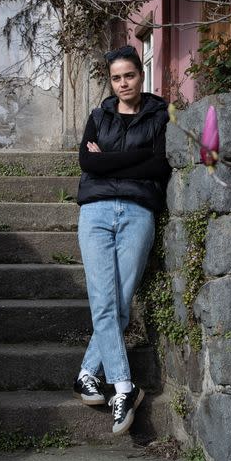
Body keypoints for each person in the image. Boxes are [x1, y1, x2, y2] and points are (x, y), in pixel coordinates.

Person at [72, 44, 169, 435]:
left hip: (137, 211)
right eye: (116, 78)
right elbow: (87, 163)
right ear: (110, 82)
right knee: (104, 301)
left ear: (140, 76)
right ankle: (125, 388)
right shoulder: (99, 116)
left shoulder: (160, 115)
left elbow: (159, 164)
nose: (123, 83)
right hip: (94, 212)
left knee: (121, 304)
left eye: (129, 75)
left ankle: (86, 374)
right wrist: (135, 158)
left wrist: (109, 159)